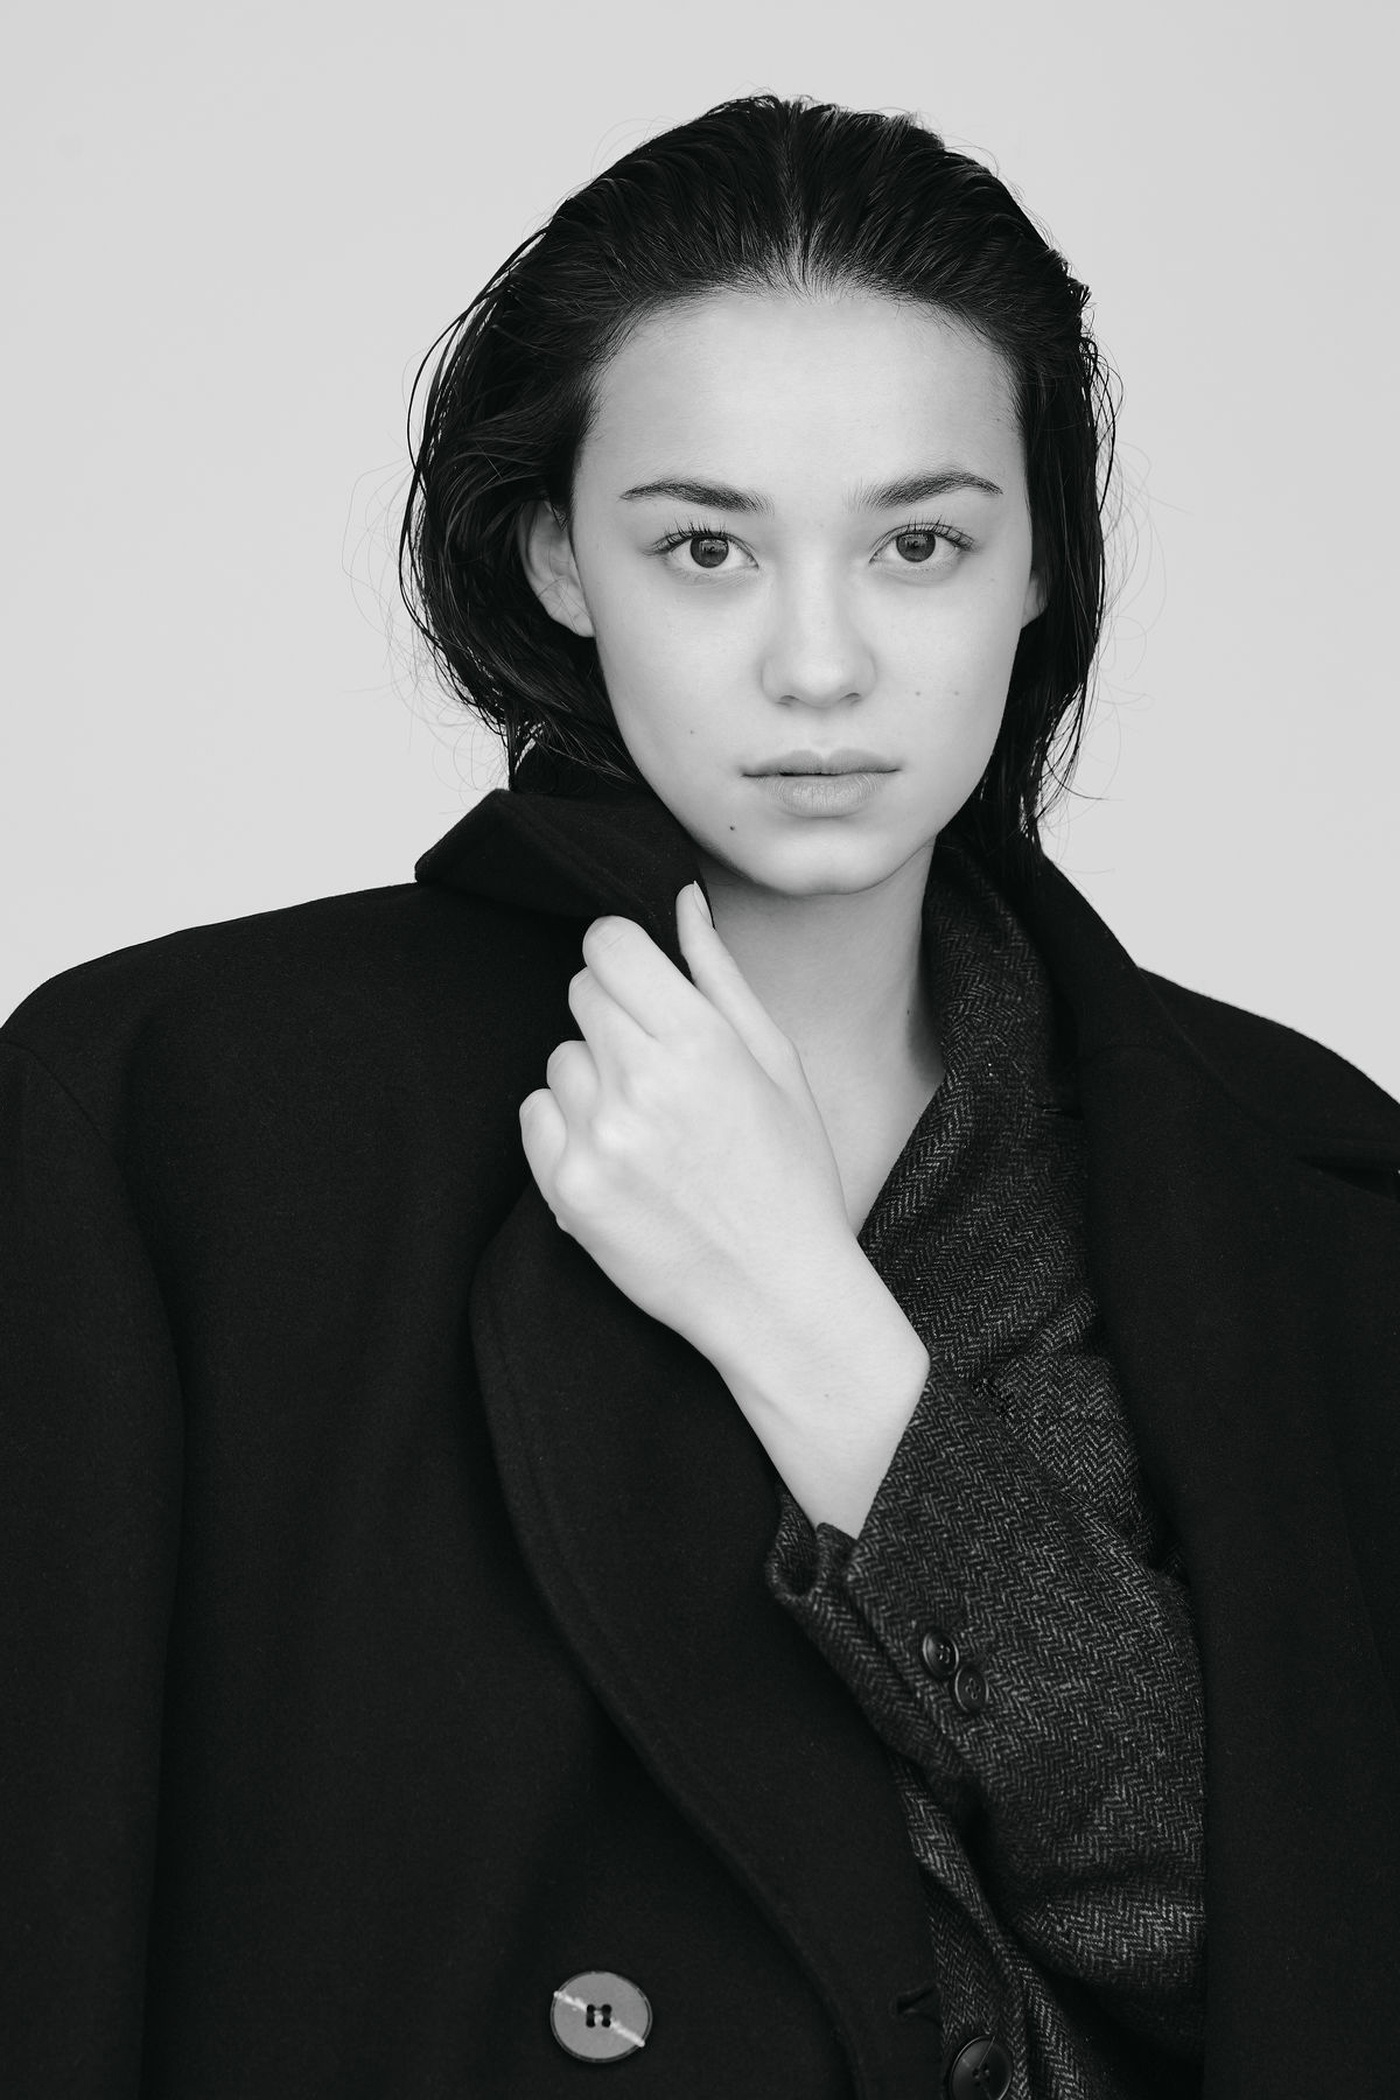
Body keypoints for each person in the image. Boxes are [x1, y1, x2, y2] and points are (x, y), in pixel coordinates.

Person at [2, 92, 1397, 2100]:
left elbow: (1295, 1960)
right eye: (706, 548)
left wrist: (819, 1342)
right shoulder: (186, 1124)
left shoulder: (1299, 1178)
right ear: (562, 562)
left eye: (919, 543)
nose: (818, 665)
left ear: (1035, 567)